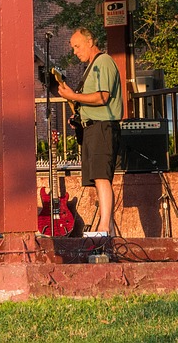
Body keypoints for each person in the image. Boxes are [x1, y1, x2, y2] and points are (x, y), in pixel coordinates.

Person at [56, 27, 122, 237]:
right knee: (97, 178)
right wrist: (78, 115)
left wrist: (74, 96)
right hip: (93, 126)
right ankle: (107, 227)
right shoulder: (91, 67)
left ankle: (104, 226)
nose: (75, 52)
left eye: (77, 46)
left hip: (103, 126)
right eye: (73, 48)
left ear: (90, 41)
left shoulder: (103, 62)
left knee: (102, 177)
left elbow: (102, 97)